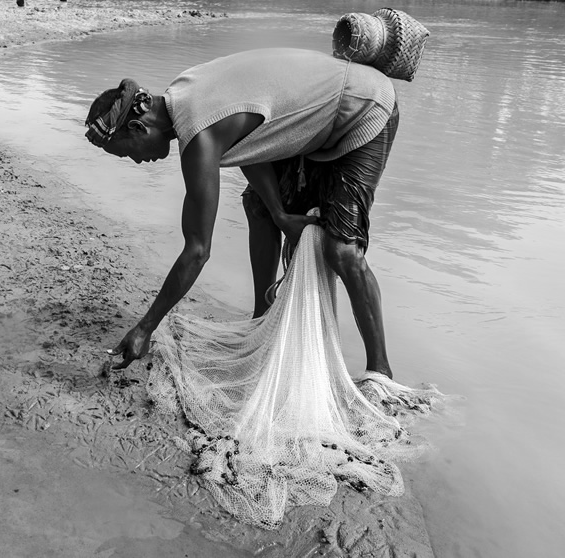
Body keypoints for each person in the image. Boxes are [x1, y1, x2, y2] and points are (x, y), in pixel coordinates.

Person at [86, 47, 401, 378]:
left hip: (364, 107)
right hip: (318, 119)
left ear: (137, 127)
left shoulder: (199, 134)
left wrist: (145, 328)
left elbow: (197, 251)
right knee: (258, 205)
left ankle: (380, 372)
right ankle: (261, 321)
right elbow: (254, 144)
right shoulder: (182, 90)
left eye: (126, 154)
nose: (137, 161)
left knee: (343, 250)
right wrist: (279, 213)